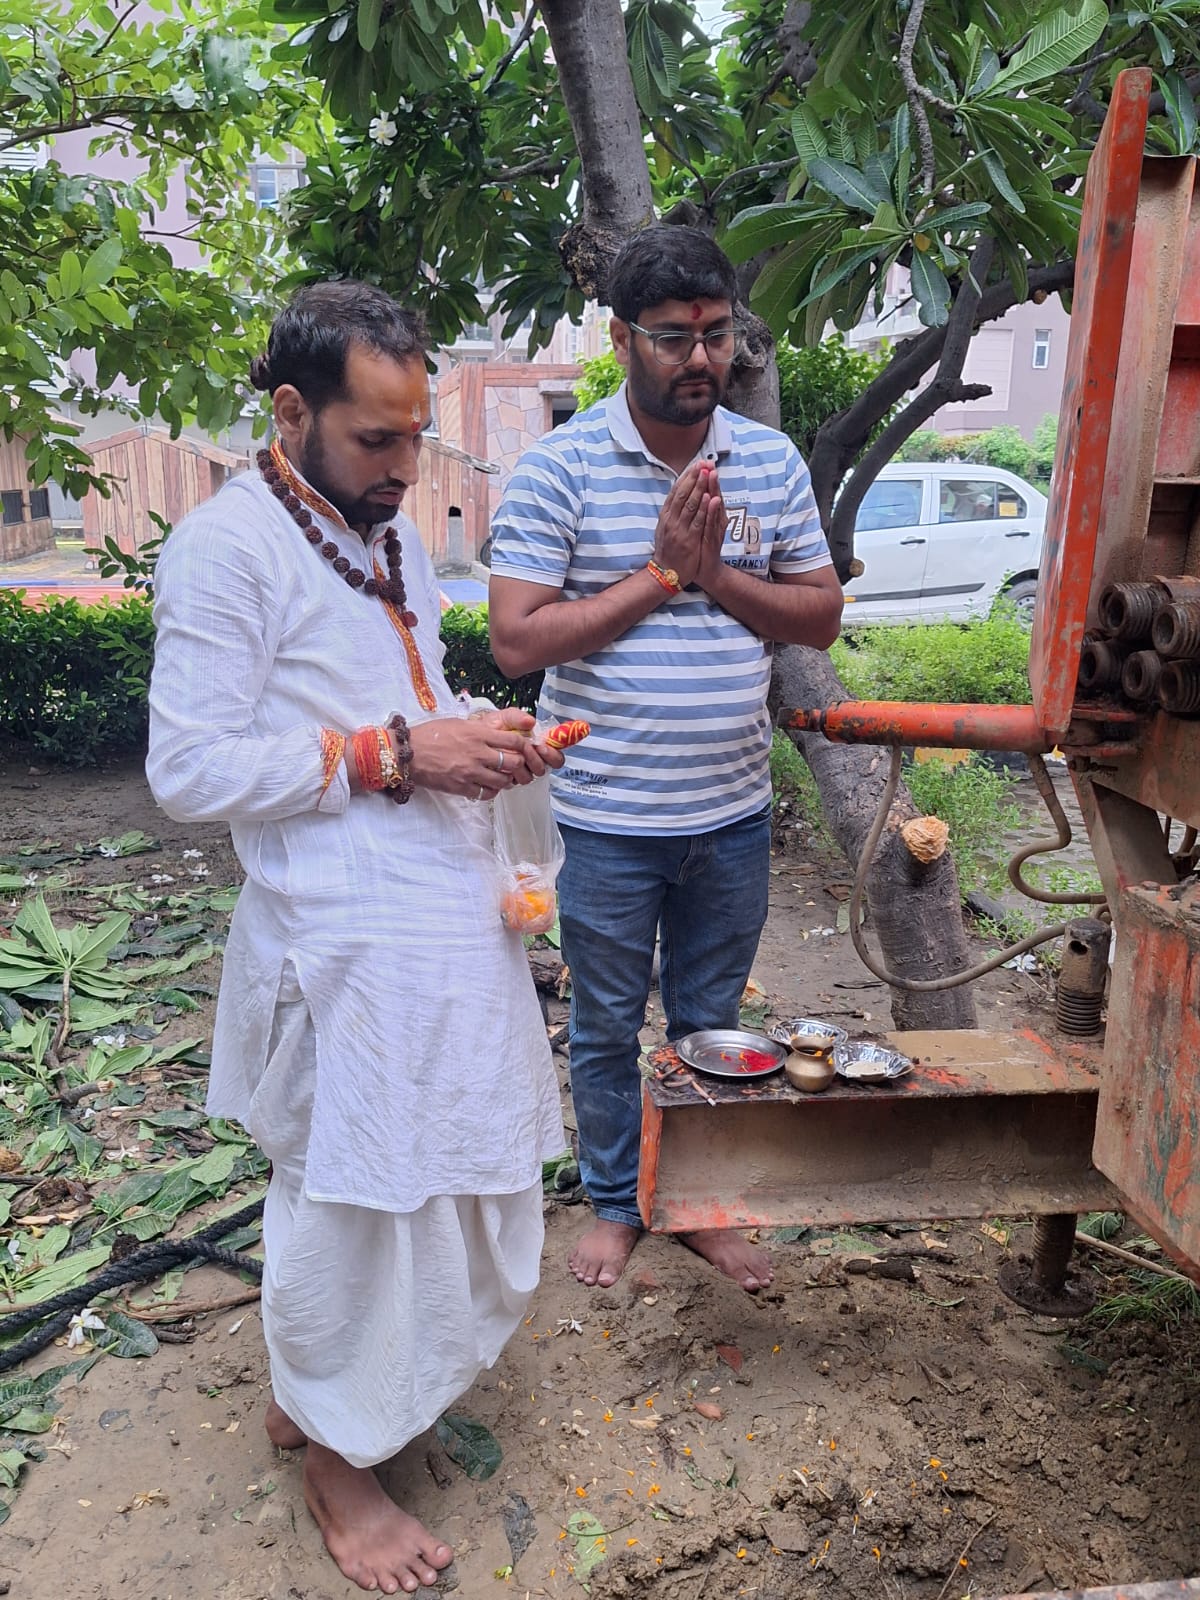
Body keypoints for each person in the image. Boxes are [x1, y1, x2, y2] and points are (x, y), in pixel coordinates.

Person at [146, 282, 565, 1596]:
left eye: (414, 436)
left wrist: (483, 739)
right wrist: (398, 754)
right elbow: (189, 769)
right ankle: (338, 1456)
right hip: (342, 941)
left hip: (440, 912)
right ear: (292, 411)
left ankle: (328, 1391)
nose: (405, 466)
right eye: (377, 438)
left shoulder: (385, 536)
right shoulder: (227, 550)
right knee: (360, 1193)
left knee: (454, 1171)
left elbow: (406, 698)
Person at [488, 225, 843, 1297]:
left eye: (717, 335)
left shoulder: (768, 461)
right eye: (674, 337)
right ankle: (615, 1201)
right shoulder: (560, 468)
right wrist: (660, 577)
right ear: (620, 338)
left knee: (712, 1024)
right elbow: (517, 641)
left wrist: (713, 573)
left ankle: (696, 1202)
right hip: (605, 816)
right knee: (605, 1025)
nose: (700, 358)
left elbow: (819, 616)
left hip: (730, 812)